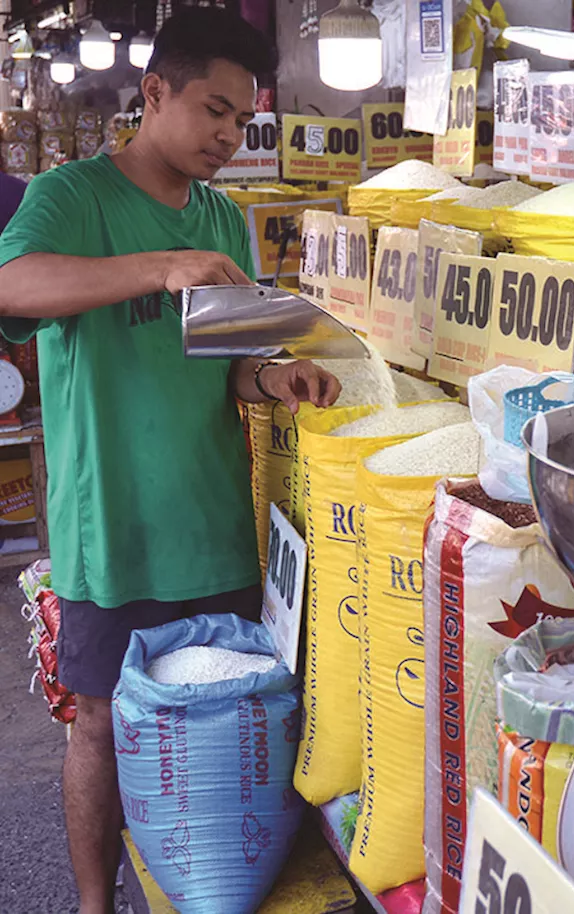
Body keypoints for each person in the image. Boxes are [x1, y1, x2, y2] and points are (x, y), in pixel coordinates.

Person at [0, 10, 341, 914]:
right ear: (154, 94)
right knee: (103, 725)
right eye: (215, 112)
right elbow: (12, 285)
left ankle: (210, 882)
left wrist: (277, 375)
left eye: (244, 121)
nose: (230, 137)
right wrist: (159, 268)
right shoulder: (71, 197)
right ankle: (91, 901)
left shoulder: (226, 219)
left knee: (230, 715)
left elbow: (230, 363)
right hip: (113, 529)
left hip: (215, 524)